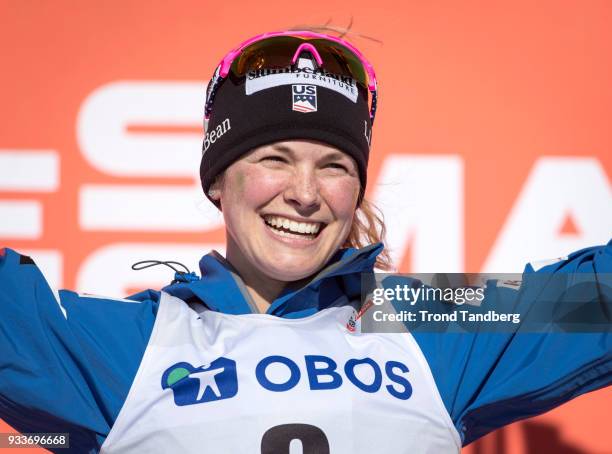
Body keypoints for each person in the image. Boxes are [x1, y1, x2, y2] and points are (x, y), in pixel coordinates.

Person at [0, 30, 610, 454]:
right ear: (219, 179)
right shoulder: (125, 346)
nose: (304, 193)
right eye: (275, 158)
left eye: (334, 166)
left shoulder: (425, 324)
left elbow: (597, 299)